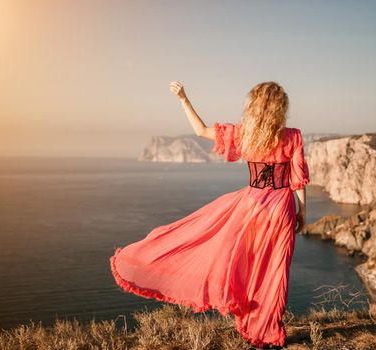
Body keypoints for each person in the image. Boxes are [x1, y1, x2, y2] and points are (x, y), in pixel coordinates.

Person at [109, 81, 309, 349]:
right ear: (280, 108)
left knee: (244, 265)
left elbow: (201, 130)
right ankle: (268, 330)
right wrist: (302, 211)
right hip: (281, 208)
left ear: (255, 106)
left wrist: (184, 99)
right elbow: (298, 181)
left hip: (251, 207)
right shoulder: (293, 136)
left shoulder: (245, 134)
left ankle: (253, 325)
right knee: (274, 271)